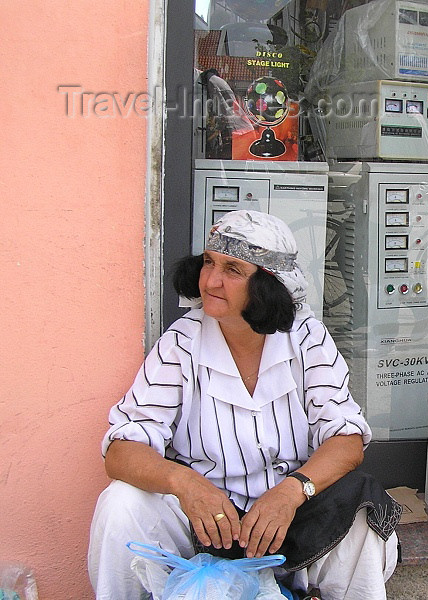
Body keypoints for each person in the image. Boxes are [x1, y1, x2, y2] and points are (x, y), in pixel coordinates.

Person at [88, 210, 401, 600]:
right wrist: (186, 484)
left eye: (233, 269)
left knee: (360, 515)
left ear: (268, 285)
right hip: (205, 522)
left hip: (292, 516)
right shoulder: (181, 342)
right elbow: (121, 450)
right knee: (122, 503)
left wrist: (291, 492)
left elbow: (346, 439)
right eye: (208, 262)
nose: (210, 281)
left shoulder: (307, 338)